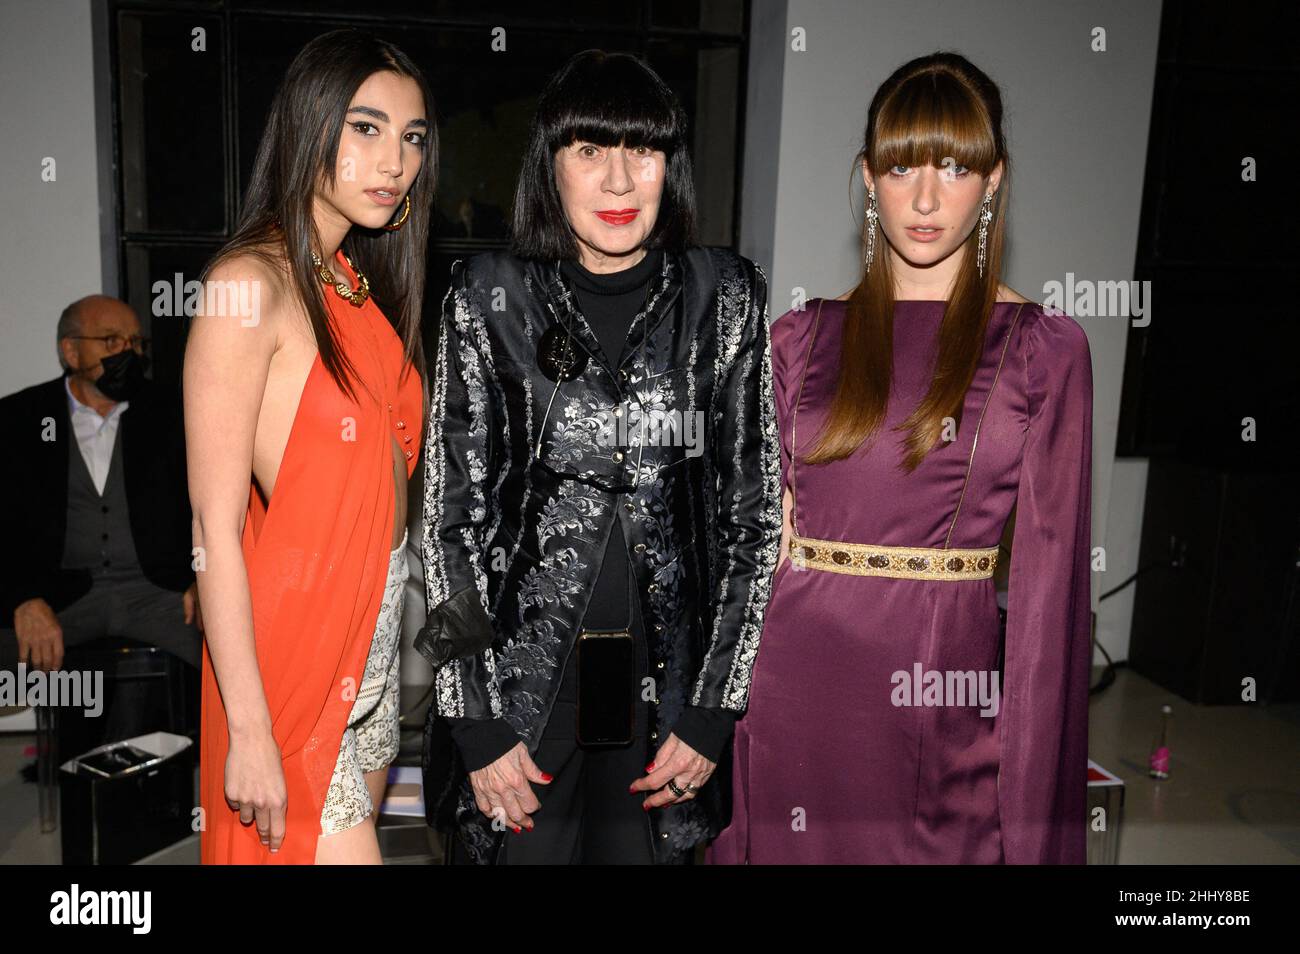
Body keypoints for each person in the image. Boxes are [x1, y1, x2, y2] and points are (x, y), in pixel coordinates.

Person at [711, 51, 1092, 864]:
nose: (925, 198)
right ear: (868, 177)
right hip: (786, 698)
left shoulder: (1042, 350)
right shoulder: (799, 335)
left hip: (935, 713)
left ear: (993, 182)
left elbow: (1049, 602)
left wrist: (1032, 818)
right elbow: (740, 546)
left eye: (955, 167)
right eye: (899, 167)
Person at [418, 49, 782, 864]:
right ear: (550, 167)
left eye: (642, 151)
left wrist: (714, 709)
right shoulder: (486, 294)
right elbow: (447, 524)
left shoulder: (724, 295)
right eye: (588, 151)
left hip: (668, 702)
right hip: (521, 696)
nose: (619, 182)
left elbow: (755, 517)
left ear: (669, 165)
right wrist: (472, 717)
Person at [185, 29, 434, 864]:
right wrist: (249, 730)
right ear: (308, 126)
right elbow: (214, 533)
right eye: (365, 128)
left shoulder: (352, 283)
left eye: (411, 137)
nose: (393, 160)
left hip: (370, 648)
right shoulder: (243, 288)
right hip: (295, 657)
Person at [0, 295, 199, 676]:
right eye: (111, 341)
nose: (129, 352)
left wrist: (203, 580)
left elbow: (208, 508)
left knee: (239, 651)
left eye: (136, 343)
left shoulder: (173, 414)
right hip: (61, 596)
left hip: (160, 594)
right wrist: (23, 598)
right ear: (71, 352)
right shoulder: (17, 420)